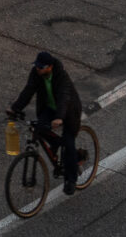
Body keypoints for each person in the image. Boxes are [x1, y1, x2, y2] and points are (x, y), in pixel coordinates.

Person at [8, 50, 85, 194]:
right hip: (50, 108)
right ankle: (56, 143)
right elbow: (28, 90)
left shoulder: (61, 75)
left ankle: (71, 179)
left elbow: (64, 96)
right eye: (37, 66)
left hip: (68, 111)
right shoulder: (36, 73)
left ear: (49, 67)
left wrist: (59, 117)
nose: (38, 69)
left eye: (41, 67)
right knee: (39, 129)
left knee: (68, 143)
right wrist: (15, 108)